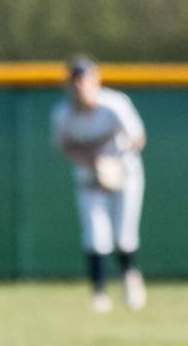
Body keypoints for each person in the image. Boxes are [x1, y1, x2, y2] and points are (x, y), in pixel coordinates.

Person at [51, 55, 147, 313]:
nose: (80, 85)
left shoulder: (115, 104)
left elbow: (138, 137)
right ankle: (99, 293)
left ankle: (130, 278)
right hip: (90, 176)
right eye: (75, 80)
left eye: (84, 79)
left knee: (124, 235)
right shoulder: (63, 113)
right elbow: (64, 146)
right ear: (69, 84)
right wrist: (90, 161)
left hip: (125, 174)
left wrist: (113, 159)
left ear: (96, 80)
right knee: (95, 235)